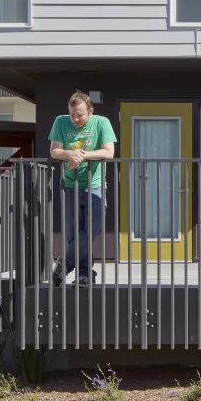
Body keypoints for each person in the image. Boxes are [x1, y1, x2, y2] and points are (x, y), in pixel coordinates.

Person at [49, 91, 117, 287]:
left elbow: (109, 151)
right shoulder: (61, 122)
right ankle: (85, 275)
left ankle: (64, 264)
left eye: (80, 114)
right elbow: (55, 150)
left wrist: (82, 155)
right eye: (73, 114)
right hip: (70, 184)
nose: (76, 119)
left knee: (91, 229)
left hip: (95, 184)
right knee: (74, 233)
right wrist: (69, 153)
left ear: (90, 111)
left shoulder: (101, 122)